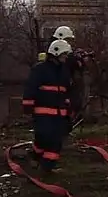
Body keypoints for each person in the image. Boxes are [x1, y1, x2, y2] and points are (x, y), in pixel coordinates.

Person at [22, 40, 74, 173]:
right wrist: (28, 105)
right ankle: (36, 156)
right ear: (56, 53)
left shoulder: (64, 72)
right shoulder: (40, 69)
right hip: (42, 113)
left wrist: (69, 112)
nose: (65, 57)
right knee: (43, 137)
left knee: (55, 142)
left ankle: (46, 168)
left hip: (59, 115)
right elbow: (30, 88)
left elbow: (66, 93)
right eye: (64, 54)